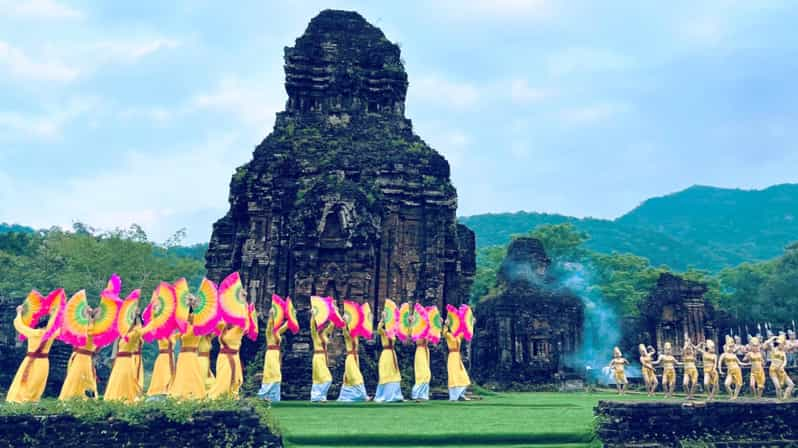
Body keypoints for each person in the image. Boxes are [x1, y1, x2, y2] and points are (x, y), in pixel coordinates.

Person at [6, 305, 59, 403]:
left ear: (38, 326)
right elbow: (58, 328)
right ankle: (33, 400)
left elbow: (18, 325)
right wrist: (54, 314)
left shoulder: (32, 333)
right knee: (38, 382)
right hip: (43, 362)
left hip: (30, 360)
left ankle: (20, 399)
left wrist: (19, 312)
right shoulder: (51, 334)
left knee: (25, 380)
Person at [104, 313, 150, 402]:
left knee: (126, 379)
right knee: (117, 378)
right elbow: (116, 349)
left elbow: (138, 330)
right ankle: (114, 396)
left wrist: (136, 317)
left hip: (127, 360)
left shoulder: (133, 335)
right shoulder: (121, 335)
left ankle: (127, 396)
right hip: (119, 361)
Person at [168, 296, 206, 400]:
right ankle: (181, 394)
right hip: (182, 356)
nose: (188, 316)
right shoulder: (184, 328)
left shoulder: (197, 326)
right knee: (182, 375)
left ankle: (194, 394)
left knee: (192, 375)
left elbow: (199, 316)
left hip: (191, 355)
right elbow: (173, 337)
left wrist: (194, 304)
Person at [58, 310, 98, 401]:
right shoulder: (83, 329)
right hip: (79, 357)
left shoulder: (94, 331)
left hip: (83, 358)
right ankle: (73, 398)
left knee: (83, 377)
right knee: (75, 377)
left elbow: (89, 331)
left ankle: (84, 398)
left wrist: (89, 317)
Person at [206, 321, 245, 399]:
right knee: (220, 377)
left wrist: (247, 309)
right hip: (221, 358)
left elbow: (246, 322)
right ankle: (220, 396)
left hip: (231, 358)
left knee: (226, 378)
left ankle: (220, 396)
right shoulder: (223, 327)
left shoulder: (239, 329)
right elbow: (213, 322)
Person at [257, 308, 289, 402]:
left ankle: (273, 398)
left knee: (276, 375)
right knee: (273, 375)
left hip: (276, 355)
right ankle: (263, 395)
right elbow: (269, 327)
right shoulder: (269, 334)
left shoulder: (277, 333)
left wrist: (291, 318)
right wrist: (271, 316)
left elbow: (286, 326)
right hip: (270, 354)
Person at [337, 313, 369, 402]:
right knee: (356, 377)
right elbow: (344, 331)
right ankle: (363, 395)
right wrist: (345, 322)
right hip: (350, 357)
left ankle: (346, 396)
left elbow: (361, 328)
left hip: (356, 357)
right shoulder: (348, 336)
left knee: (349, 377)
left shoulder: (356, 336)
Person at [375, 311, 404, 403]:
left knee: (394, 373)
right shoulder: (384, 332)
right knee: (385, 372)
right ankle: (384, 395)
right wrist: (383, 319)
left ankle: (395, 395)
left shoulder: (393, 333)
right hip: (386, 354)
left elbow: (395, 334)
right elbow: (379, 328)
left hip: (392, 354)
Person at [309, 310, 335, 402]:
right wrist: (313, 316)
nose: (322, 326)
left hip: (323, 357)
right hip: (317, 357)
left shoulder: (324, 334)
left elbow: (332, 325)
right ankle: (318, 396)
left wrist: (333, 312)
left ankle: (318, 397)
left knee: (320, 378)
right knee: (326, 378)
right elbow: (312, 327)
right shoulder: (315, 335)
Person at [443, 317, 471, 401]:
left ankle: (460, 394)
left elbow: (466, 332)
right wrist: (446, 325)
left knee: (463, 375)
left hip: (457, 357)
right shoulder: (448, 335)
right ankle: (454, 396)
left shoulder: (459, 335)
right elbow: (444, 333)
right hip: (452, 356)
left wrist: (470, 323)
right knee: (453, 375)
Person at [147, 332, 176, 397]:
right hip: (163, 357)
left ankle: (169, 389)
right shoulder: (160, 333)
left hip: (171, 357)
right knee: (164, 375)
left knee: (170, 374)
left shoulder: (173, 334)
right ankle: (161, 390)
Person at [764, 335, 794, 400]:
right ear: (778, 344)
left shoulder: (783, 352)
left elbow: (785, 361)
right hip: (773, 370)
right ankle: (779, 400)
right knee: (778, 387)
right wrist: (773, 338)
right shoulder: (773, 349)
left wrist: (782, 366)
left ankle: (785, 398)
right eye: (781, 344)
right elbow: (767, 343)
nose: (782, 345)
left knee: (791, 385)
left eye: (783, 344)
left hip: (781, 371)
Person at [718, 336, 746, 400]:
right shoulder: (724, 354)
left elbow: (740, 363)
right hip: (730, 371)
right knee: (726, 384)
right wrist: (720, 370)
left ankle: (735, 396)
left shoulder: (734, 355)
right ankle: (731, 395)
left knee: (738, 384)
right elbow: (719, 362)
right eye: (730, 347)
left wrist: (748, 363)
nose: (731, 348)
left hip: (737, 369)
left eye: (732, 347)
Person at [412, 331, 431, 401]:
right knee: (422, 374)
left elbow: (428, 340)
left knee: (427, 374)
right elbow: (415, 339)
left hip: (426, 351)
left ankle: (423, 395)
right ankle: (416, 394)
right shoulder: (417, 330)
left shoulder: (427, 330)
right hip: (420, 351)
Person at [681, 335, 699, 400]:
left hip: (694, 370)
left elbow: (696, 348)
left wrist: (690, 344)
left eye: (689, 349)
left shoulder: (693, 354)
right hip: (687, 370)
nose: (688, 350)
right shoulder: (684, 355)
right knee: (685, 384)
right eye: (687, 349)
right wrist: (687, 343)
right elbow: (683, 349)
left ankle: (691, 396)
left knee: (694, 383)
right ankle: (688, 395)